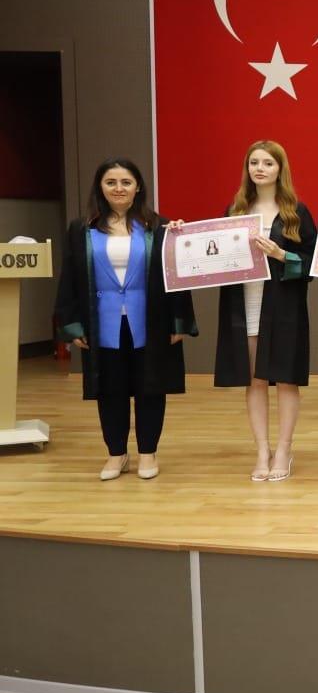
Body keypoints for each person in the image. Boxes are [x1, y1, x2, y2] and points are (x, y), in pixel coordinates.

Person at [54, 157, 197, 480]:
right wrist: (72, 324)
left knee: (150, 387)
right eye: (111, 182)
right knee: (110, 389)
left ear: (138, 187)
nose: (118, 188)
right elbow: (69, 278)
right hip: (102, 322)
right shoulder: (81, 228)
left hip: (150, 320)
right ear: (100, 187)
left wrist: (179, 320)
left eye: (126, 182)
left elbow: (177, 275)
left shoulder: (159, 227)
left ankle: (148, 453)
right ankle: (116, 454)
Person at [213, 140, 317, 482]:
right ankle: (262, 450)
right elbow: (214, 255)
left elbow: (314, 263)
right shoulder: (235, 211)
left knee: (285, 379)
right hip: (245, 303)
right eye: (254, 162)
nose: (260, 168)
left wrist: (280, 255)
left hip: (283, 306)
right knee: (255, 379)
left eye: (268, 163)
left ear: (280, 169)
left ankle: (284, 450)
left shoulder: (295, 212)